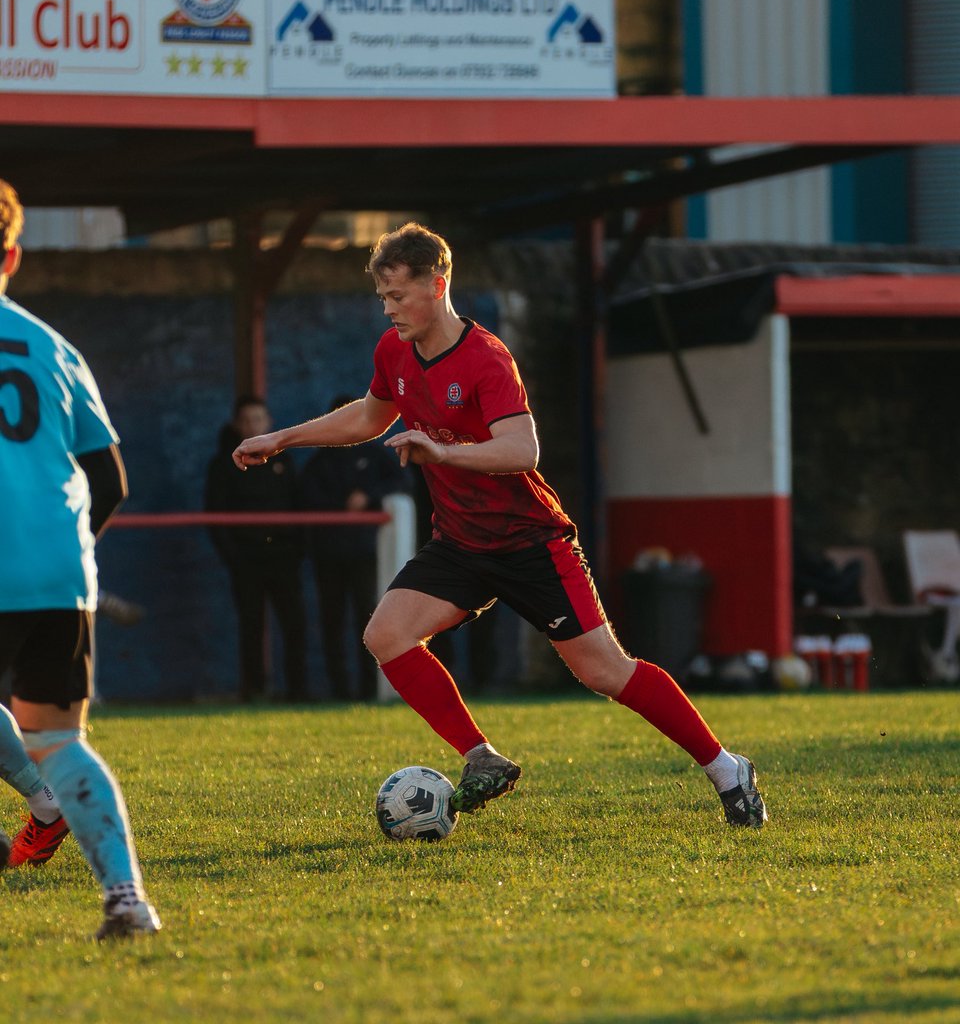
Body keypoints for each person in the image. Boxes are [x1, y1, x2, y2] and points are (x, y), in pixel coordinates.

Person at [232, 222, 768, 827]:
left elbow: (522, 450)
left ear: (437, 286)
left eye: (399, 296)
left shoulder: (487, 358)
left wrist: (445, 453)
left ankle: (727, 768)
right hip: (461, 543)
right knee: (386, 635)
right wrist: (284, 438)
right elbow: (369, 416)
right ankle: (480, 756)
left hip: (532, 543)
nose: (389, 310)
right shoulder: (394, 351)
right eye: (382, 298)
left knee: (604, 672)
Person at [0, 178, 161, 937]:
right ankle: (127, 898)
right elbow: (111, 479)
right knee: (61, 739)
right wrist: (58, 554)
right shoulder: (55, 347)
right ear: (12, 254)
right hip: (55, 573)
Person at [300, 394, 411, 701]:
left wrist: (368, 495)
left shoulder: (376, 454)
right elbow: (307, 499)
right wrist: (341, 508)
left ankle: (369, 691)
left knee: (369, 623)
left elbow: (402, 481)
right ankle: (339, 692)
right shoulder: (319, 461)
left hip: (365, 554)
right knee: (332, 622)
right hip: (329, 555)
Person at [205, 396, 309, 702]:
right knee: (251, 625)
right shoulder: (224, 464)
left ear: (269, 422)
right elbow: (215, 513)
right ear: (238, 425)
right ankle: (253, 690)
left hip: (283, 556)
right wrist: (233, 557)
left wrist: (297, 548)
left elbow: (299, 505)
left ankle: (298, 692)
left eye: (259, 419)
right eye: (248, 420)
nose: (254, 425)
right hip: (246, 558)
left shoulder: (285, 460)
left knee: (294, 623)